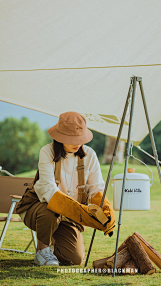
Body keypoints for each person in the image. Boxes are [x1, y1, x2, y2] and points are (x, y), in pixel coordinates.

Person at [16, 111, 115, 266]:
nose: (77, 143)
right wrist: (80, 211)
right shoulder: (47, 152)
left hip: (69, 216)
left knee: (74, 260)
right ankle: (42, 251)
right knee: (51, 208)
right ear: (60, 137)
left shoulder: (90, 155)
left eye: (80, 139)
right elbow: (48, 189)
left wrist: (104, 206)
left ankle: (55, 245)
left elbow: (96, 188)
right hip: (37, 210)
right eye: (72, 139)